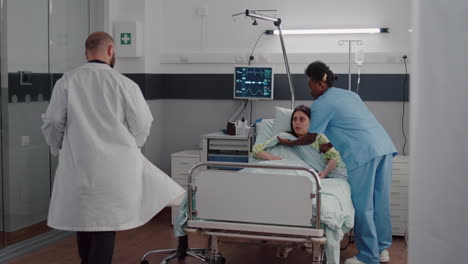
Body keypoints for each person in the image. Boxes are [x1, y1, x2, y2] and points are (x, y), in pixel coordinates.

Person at [41, 32, 185, 264]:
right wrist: (130, 148)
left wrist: (60, 147)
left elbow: (52, 123)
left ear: (86, 52)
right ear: (110, 51)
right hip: (114, 170)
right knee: (104, 227)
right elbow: (142, 124)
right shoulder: (124, 84)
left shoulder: (67, 81)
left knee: (84, 223)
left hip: (78, 167)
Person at [278, 61, 397, 264]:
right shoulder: (350, 95)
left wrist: (291, 143)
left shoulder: (322, 103)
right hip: (383, 147)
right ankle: (381, 249)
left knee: (364, 205)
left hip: (363, 153)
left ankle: (368, 257)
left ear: (321, 84)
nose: (309, 90)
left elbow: (311, 136)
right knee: (380, 202)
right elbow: (350, 124)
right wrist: (329, 144)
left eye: (311, 85)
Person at [252, 104, 345, 178]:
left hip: (304, 173)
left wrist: (325, 172)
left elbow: (334, 157)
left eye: (302, 119)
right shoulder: (284, 137)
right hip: (281, 168)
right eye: (294, 119)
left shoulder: (318, 137)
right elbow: (256, 150)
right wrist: (271, 157)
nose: (297, 122)